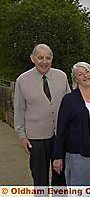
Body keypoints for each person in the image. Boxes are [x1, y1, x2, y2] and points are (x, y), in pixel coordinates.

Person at [14, 44, 70, 186]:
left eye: (48, 58)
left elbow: (70, 105)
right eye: (40, 58)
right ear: (32, 58)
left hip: (59, 135)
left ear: (52, 59)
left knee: (61, 175)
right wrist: (21, 135)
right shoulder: (22, 80)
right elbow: (19, 109)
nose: (44, 61)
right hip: (35, 137)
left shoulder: (61, 76)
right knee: (40, 177)